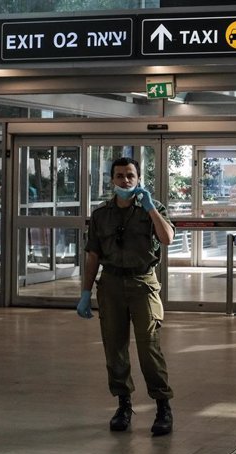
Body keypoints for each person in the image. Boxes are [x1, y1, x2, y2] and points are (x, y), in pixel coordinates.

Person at [76, 157, 175, 436]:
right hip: (111, 285)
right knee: (114, 347)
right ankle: (123, 404)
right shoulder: (101, 215)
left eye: (130, 176)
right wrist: (86, 292)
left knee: (149, 348)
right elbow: (93, 254)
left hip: (143, 283)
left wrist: (151, 209)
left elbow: (167, 238)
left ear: (139, 178)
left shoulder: (151, 208)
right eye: (120, 176)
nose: (125, 181)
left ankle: (163, 406)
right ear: (112, 180)